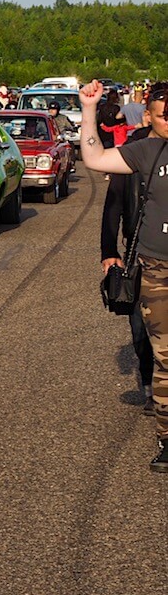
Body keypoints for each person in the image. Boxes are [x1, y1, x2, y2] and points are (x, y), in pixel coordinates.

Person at [79, 79, 168, 472]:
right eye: (165, 115)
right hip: (157, 268)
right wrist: (88, 109)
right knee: (165, 357)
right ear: (150, 116)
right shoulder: (148, 150)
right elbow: (95, 159)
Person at [101, 164, 155, 416]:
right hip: (139, 255)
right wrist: (109, 251)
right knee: (140, 325)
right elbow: (113, 207)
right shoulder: (131, 157)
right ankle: (150, 387)